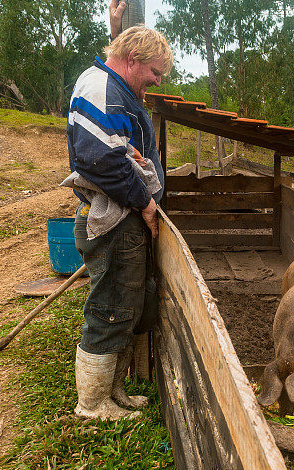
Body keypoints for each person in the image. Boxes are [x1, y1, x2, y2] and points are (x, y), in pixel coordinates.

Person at [66, 11, 173, 420]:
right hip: (112, 221)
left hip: (121, 219)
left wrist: (137, 159)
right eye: (154, 71)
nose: (157, 81)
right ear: (131, 58)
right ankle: (91, 404)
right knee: (110, 307)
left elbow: (116, 150)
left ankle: (114, 393)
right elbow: (103, 162)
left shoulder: (114, 88)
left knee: (122, 306)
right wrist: (146, 202)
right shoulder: (100, 89)